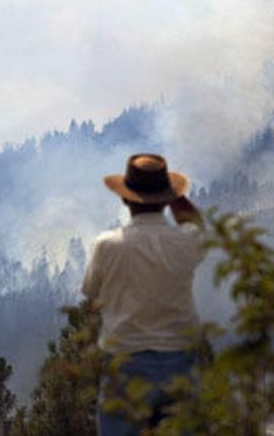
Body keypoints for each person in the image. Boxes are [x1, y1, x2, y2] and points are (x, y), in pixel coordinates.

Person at [82, 153, 205, 435]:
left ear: (125, 199)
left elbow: (90, 292)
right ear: (165, 199)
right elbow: (198, 226)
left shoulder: (108, 246)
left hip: (126, 364)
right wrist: (175, 196)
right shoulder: (184, 241)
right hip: (179, 364)